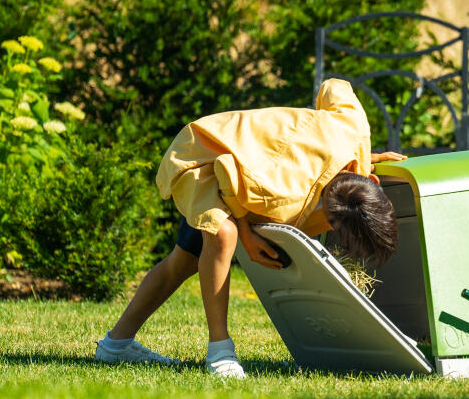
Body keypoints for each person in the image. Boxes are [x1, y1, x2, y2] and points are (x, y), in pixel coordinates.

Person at [93, 79, 405, 378]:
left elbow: (335, 86)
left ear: (371, 178)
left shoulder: (355, 130)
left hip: (244, 161)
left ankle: (115, 345)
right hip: (204, 155)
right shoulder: (282, 189)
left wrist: (363, 155)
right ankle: (220, 353)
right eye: (333, 222)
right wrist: (246, 234)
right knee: (223, 234)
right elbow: (227, 174)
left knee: (183, 262)